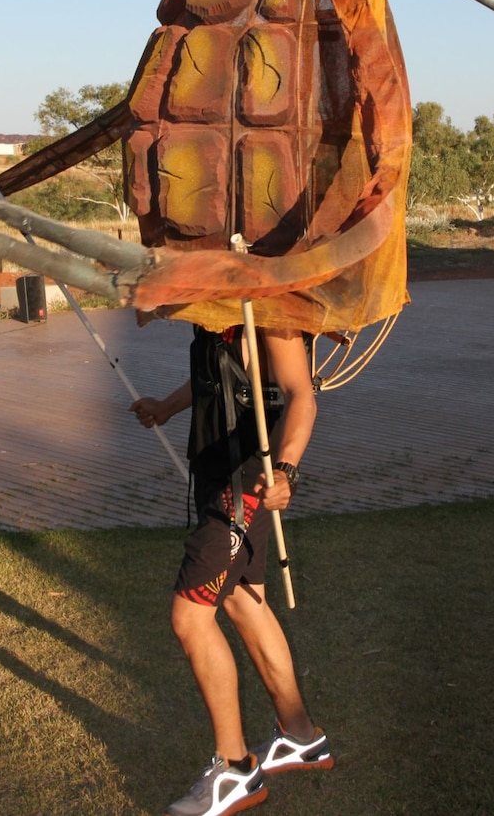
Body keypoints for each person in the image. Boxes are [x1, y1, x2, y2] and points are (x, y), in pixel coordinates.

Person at [131, 324, 333, 816]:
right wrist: (167, 407)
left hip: (246, 482)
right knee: (244, 600)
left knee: (190, 616)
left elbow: (300, 394)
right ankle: (301, 736)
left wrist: (285, 470)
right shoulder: (215, 299)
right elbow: (213, 377)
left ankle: (235, 770)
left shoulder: (268, 302)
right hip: (215, 470)